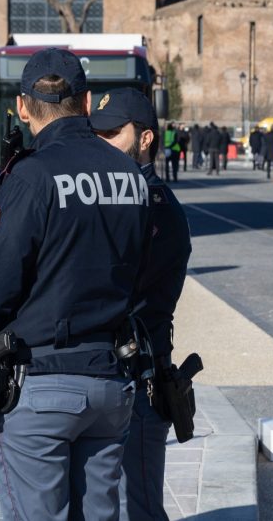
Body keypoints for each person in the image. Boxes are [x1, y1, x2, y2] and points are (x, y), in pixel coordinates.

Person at [0, 48, 149, 521]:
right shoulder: (129, 175)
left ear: (22, 107)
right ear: (86, 104)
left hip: (43, 382)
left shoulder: (32, 175)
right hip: (109, 379)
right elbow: (142, 271)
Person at [89, 89, 192, 521]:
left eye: (113, 133)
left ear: (145, 138)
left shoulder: (157, 205)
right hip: (104, 374)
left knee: (141, 506)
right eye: (97, 133)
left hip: (142, 375)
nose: (102, 143)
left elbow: (126, 288)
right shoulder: (111, 198)